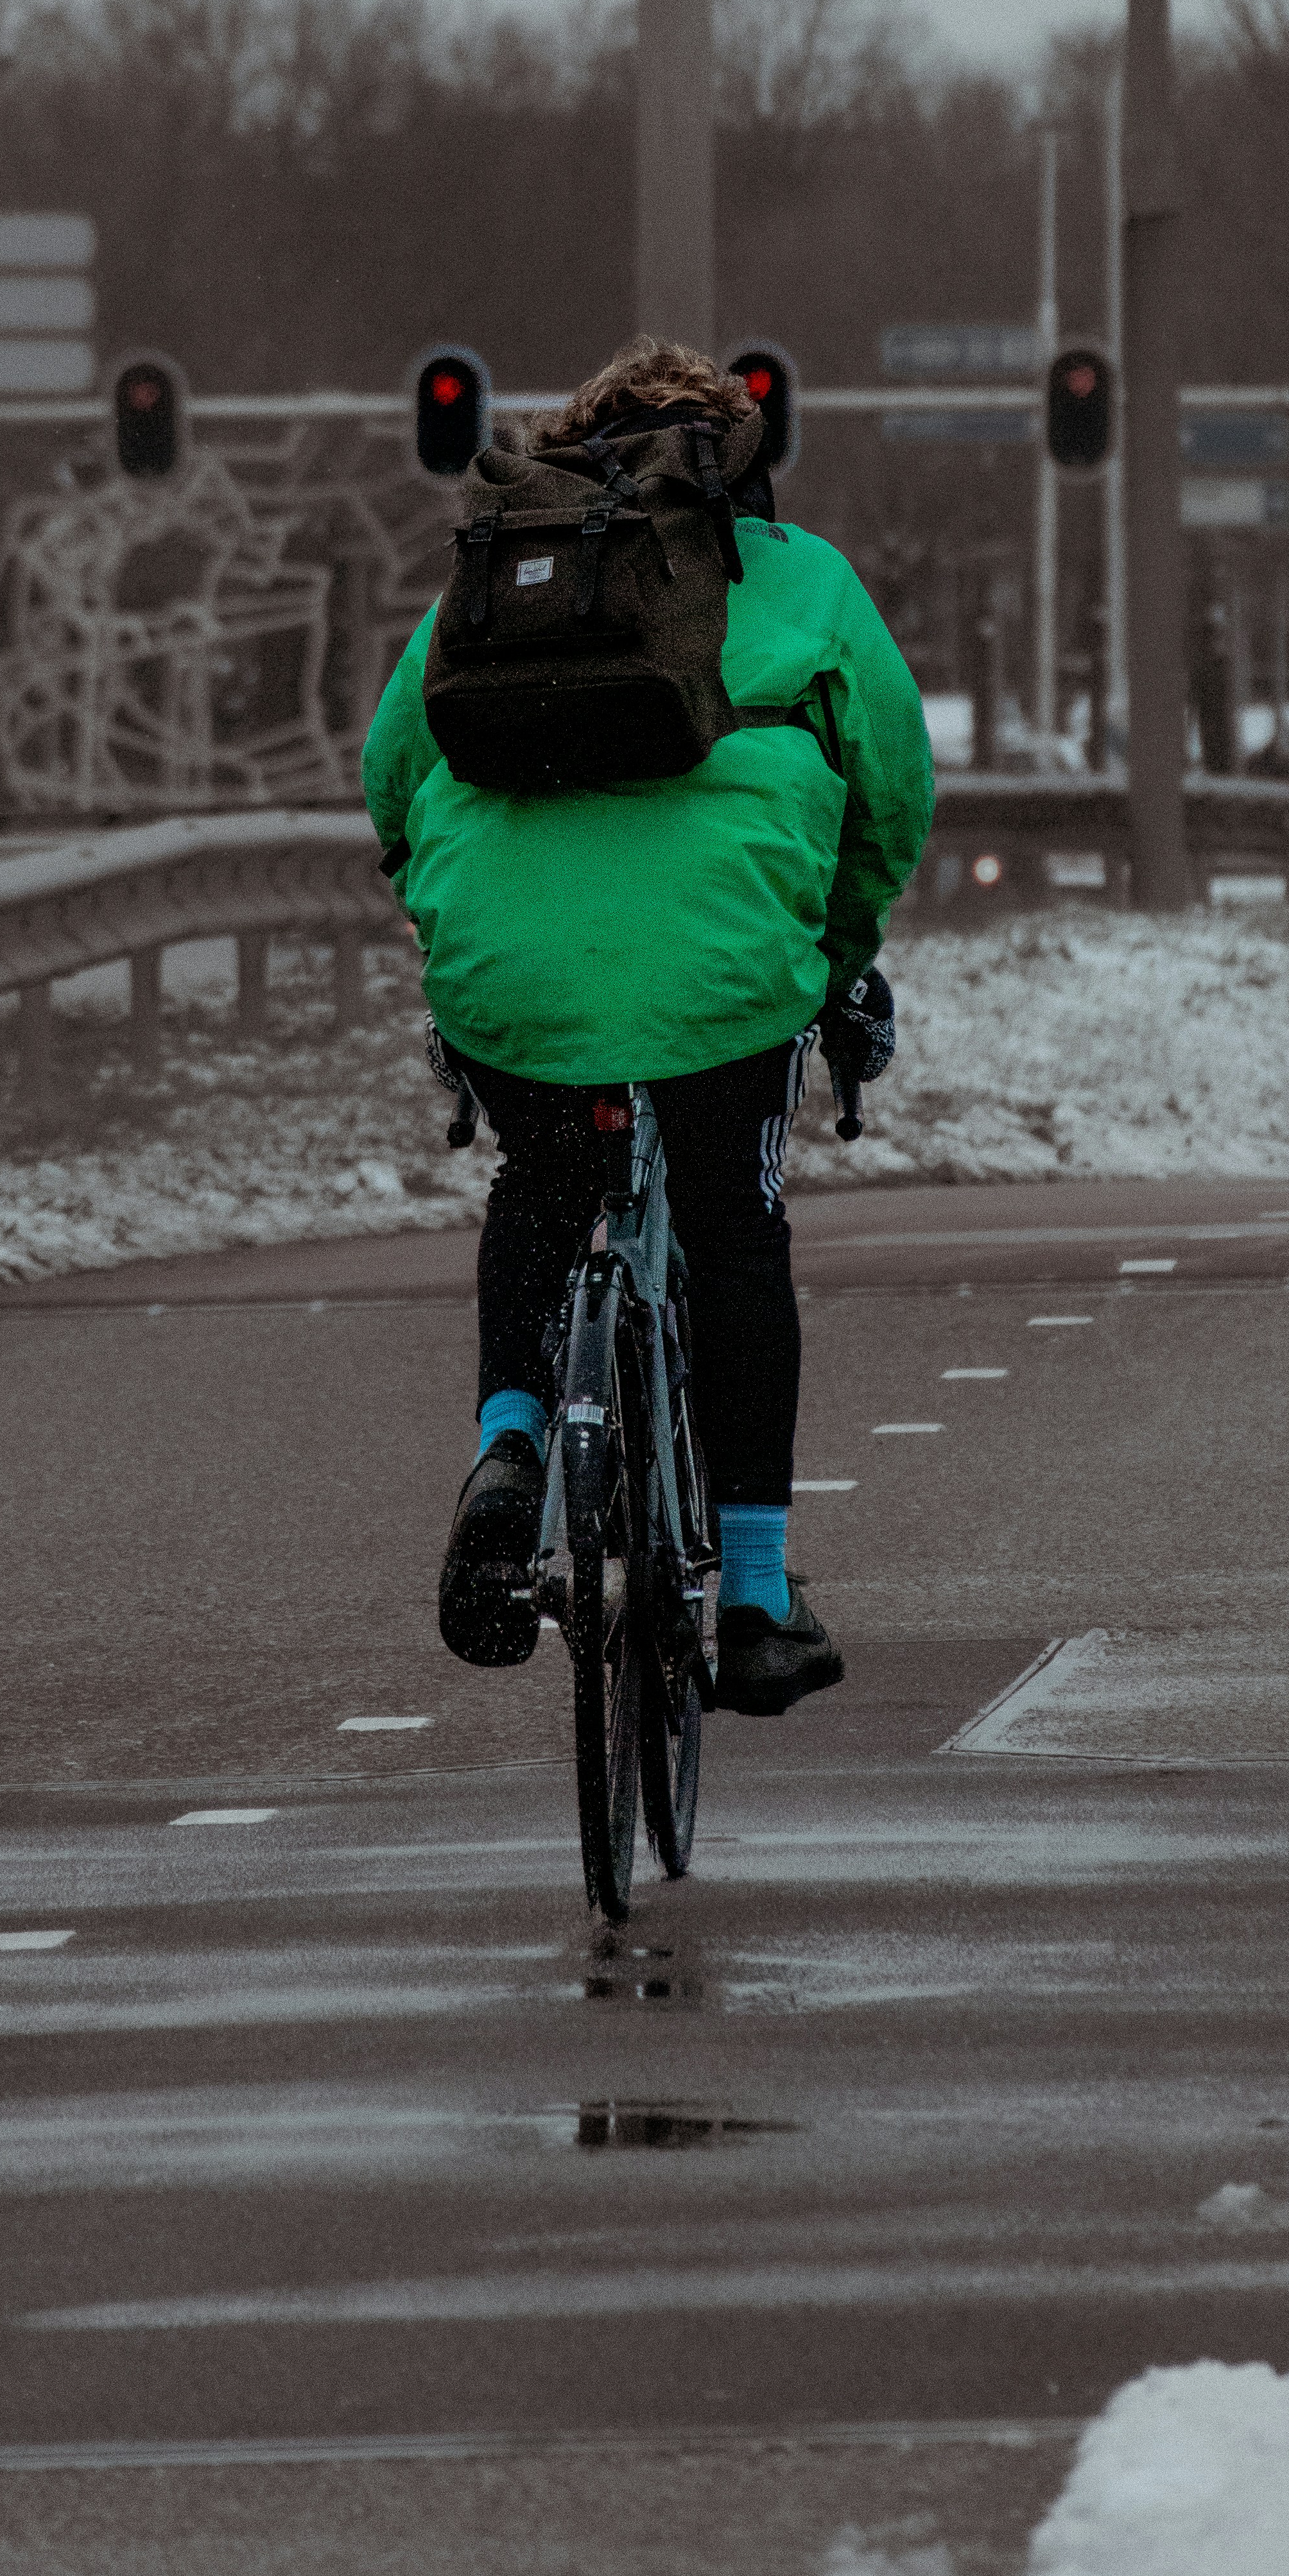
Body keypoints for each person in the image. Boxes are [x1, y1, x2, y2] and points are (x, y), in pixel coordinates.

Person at [361, 338, 933, 1715]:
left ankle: (508, 1446)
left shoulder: (499, 568)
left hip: (510, 973)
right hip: (728, 969)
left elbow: (391, 780)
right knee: (735, 1237)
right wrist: (833, 957)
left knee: (542, 1184)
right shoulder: (800, 576)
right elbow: (893, 795)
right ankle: (747, 1594)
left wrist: (451, 933)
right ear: (742, 466)